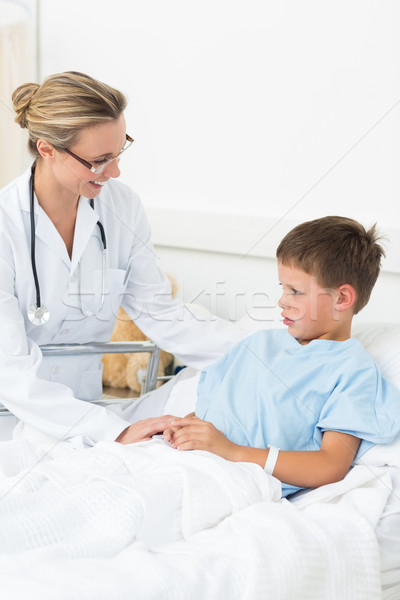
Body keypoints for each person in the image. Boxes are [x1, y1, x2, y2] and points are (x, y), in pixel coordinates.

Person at [0, 71, 241, 447]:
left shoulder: (122, 207)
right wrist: (114, 432)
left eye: (119, 151)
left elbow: (159, 312)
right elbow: (9, 369)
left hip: (95, 410)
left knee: (209, 387)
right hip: (14, 422)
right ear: (47, 149)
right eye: (99, 160)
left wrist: (263, 352)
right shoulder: (5, 225)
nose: (114, 172)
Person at [163, 216, 400, 497]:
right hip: (183, 459)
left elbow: (331, 465)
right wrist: (186, 426)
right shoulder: (259, 345)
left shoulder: (352, 371)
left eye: (295, 291)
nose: (282, 300)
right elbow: (219, 410)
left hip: (235, 480)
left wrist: (231, 451)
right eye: (283, 288)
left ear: (341, 299)